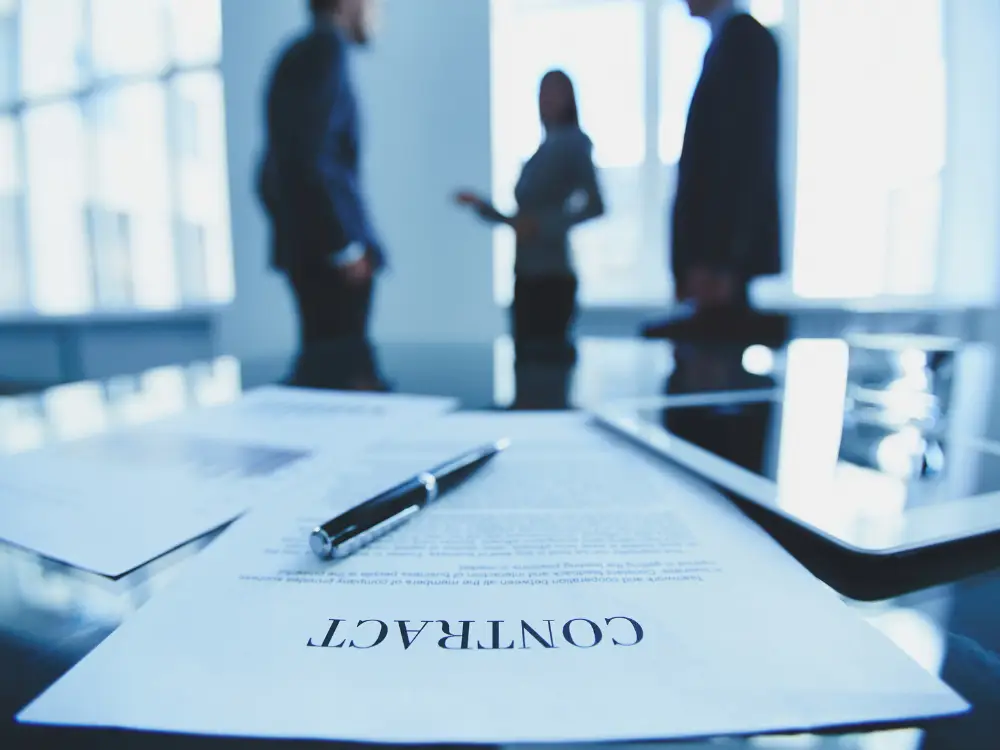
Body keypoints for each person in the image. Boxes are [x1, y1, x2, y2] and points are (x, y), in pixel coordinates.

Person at [644, 0, 780, 338]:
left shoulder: (745, 40)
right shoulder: (727, 42)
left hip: (721, 258)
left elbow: (743, 157)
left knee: (717, 363)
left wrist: (725, 258)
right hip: (715, 255)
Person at [258, 0, 384, 344]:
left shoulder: (302, 52)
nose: (377, 11)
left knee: (325, 371)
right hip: (330, 258)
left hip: (311, 249)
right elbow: (307, 159)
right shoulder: (326, 51)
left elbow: (271, 170)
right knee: (339, 375)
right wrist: (342, 246)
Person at [455, 70, 604, 342]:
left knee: (547, 368)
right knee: (525, 367)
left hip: (552, 278)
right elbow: (521, 221)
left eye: (553, 92)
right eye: (542, 92)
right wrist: (482, 207)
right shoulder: (542, 150)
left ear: (569, 98)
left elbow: (596, 206)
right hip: (525, 274)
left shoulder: (574, 144)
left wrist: (543, 226)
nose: (545, 99)